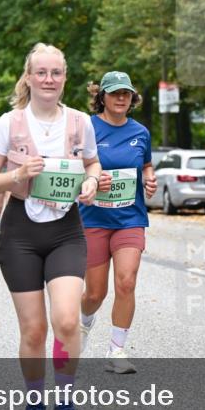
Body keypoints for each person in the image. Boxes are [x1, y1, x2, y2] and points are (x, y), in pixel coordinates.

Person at [0, 42, 106, 410]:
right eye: (42, 73)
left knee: (67, 320)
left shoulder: (80, 122)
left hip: (65, 231)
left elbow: (93, 164)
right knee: (33, 330)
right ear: (29, 78)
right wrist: (16, 176)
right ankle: (34, 404)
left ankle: (65, 406)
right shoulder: (9, 123)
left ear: (64, 78)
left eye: (56, 73)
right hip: (20, 234)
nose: (49, 80)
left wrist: (90, 180)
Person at [78, 72, 157, 374]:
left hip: (130, 218)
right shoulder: (87, 128)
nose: (121, 98)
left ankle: (117, 350)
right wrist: (92, 180)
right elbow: (73, 166)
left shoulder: (141, 132)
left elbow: (146, 164)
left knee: (126, 281)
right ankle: (85, 322)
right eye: (114, 93)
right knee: (94, 293)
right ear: (102, 97)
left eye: (126, 93)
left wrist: (149, 179)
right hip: (94, 219)